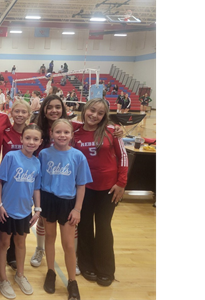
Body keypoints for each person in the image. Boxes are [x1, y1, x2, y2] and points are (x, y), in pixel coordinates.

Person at [74, 99, 128, 287]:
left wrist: (121, 183)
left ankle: (105, 269)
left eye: (100, 113)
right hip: (85, 189)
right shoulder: (75, 132)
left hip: (109, 189)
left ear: (104, 116)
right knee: (85, 226)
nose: (94, 115)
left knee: (104, 227)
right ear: (85, 109)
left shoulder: (112, 131)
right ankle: (86, 264)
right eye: (92, 110)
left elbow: (123, 157)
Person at [39, 118, 92, 300]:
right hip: (48, 200)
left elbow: (81, 185)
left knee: (69, 244)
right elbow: (39, 182)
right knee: (50, 238)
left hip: (68, 202)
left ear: (71, 135)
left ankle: (72, 281)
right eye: (58, 132)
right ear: (52, 134)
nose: (62, 135)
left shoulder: (78, 156)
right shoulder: (44, 154)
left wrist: (77, 209)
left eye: (66, 132)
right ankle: (51, 272)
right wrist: (38, 206)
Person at [0, 124, 43, 299]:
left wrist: (37, 209)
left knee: (21, 244)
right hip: (6, 210)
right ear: (21, 139)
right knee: (3, 243)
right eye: (28, 138)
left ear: (40, 142)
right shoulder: (11, 157)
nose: (31, 142)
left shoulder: (37, 162)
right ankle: (2, 278)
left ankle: (20, 275)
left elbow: (36, 188)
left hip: (25, 211)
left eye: (35, 139)